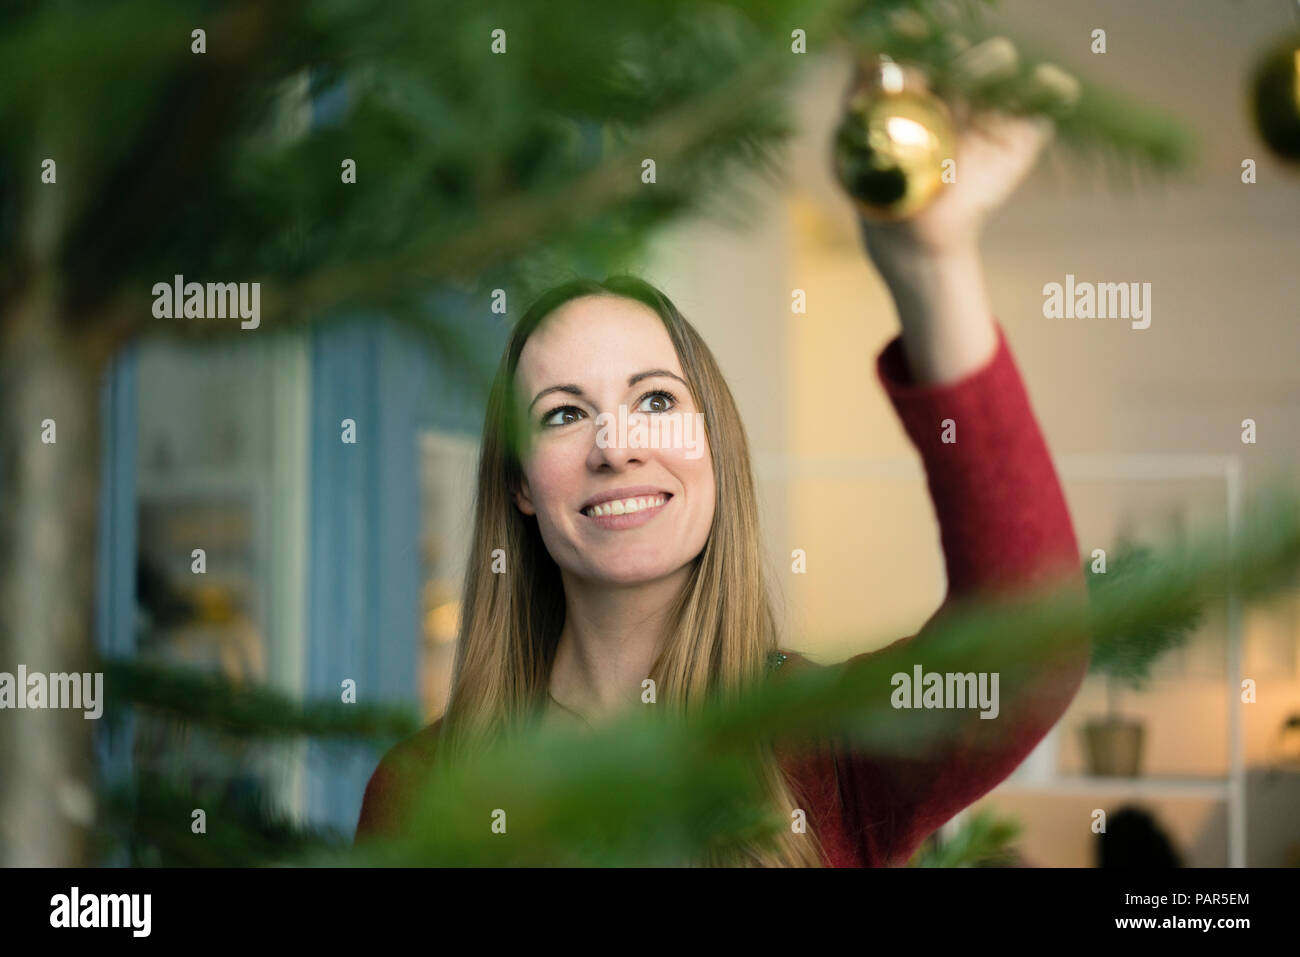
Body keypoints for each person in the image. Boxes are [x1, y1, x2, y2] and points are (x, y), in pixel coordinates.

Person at [355, 101, 1091, 867]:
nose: (618, 445)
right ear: (521, 486)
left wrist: (931, 267)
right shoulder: (414, 792)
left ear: (715, 446)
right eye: (565, 412)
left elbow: (1030, 642)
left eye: (656, 400)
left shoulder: (826, 741)